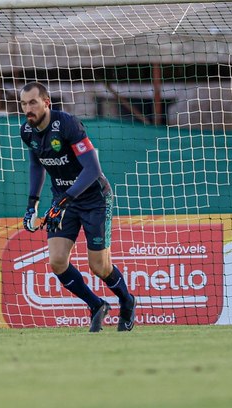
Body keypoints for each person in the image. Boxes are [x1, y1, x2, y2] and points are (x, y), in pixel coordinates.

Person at [19, 82, 136, 333]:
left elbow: (93, 170)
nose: (28, 108)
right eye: (24, 103)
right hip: (64, 200)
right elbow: (37, 165)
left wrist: (64, 199)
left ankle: (127, 301)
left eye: (33, 103)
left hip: (94, 198)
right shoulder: (27, 132)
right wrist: (32, 204)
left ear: (46, 102)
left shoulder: (67, 124)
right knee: (57, 261)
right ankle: (96, 305)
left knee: (99, 267)